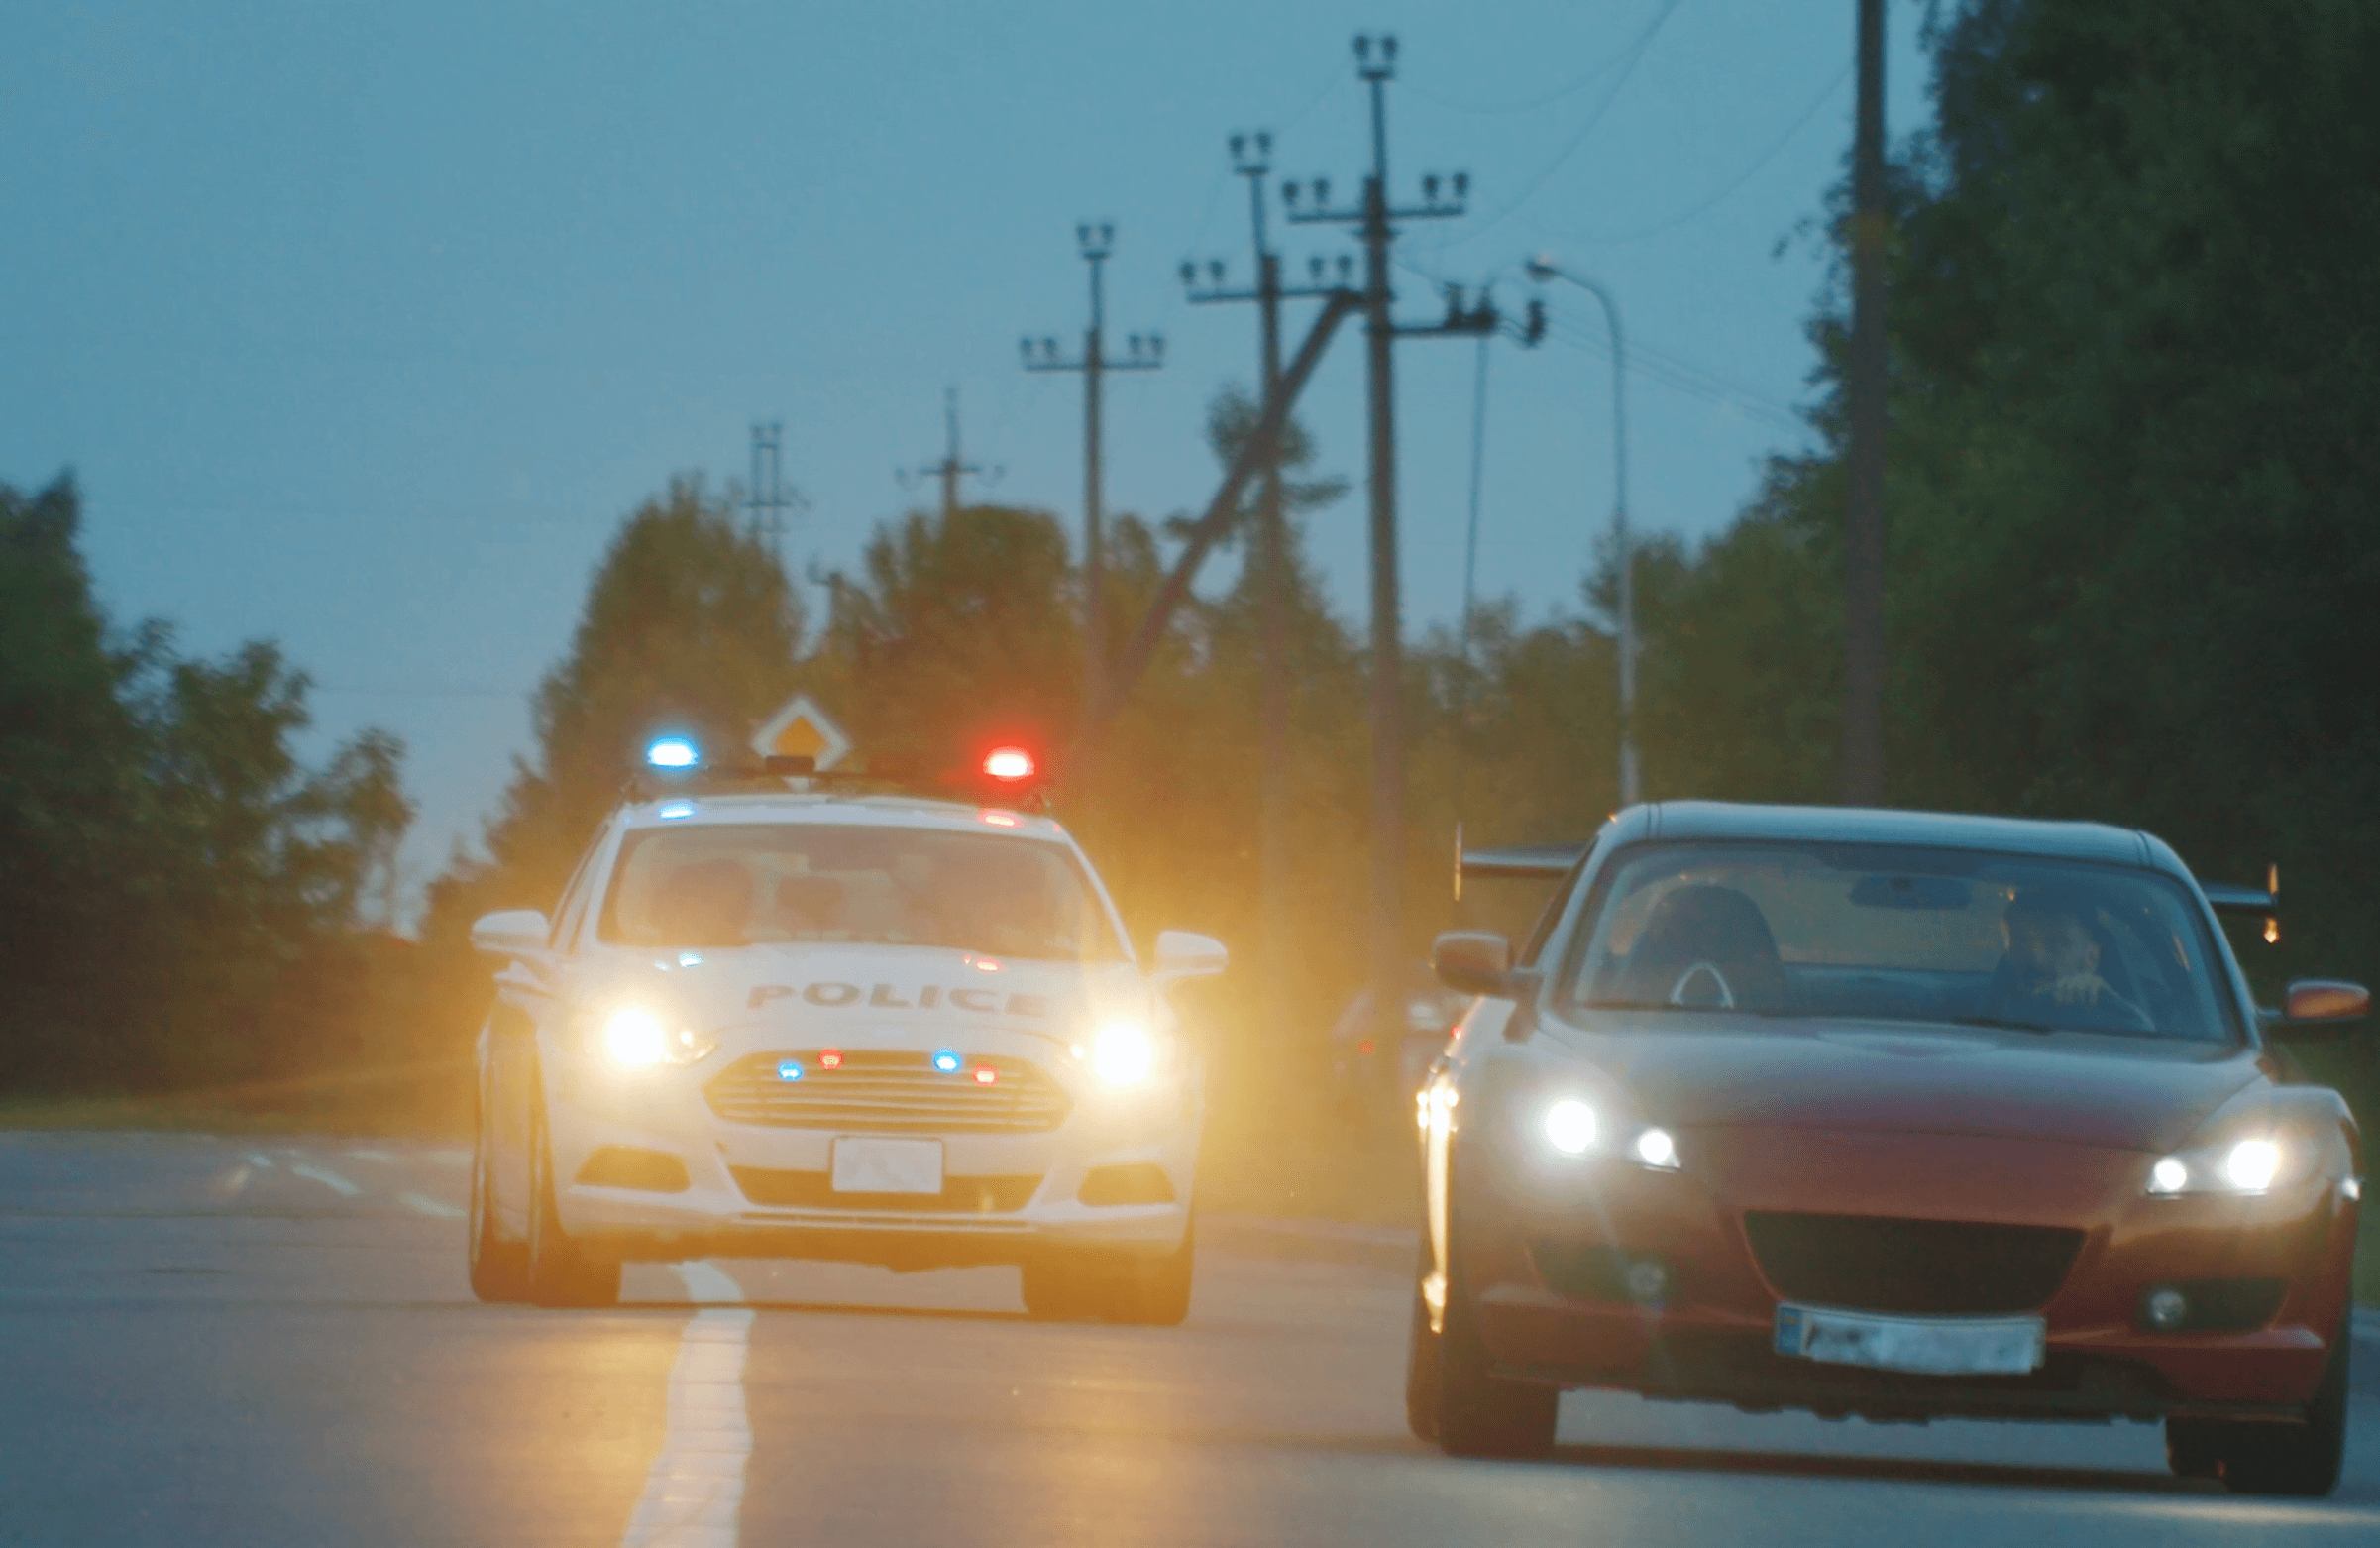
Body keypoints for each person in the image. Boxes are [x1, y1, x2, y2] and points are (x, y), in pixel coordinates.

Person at [1987, 886, 2148, 1029]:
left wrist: (2109, 1001)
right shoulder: (1974, 1014)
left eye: (2056, 944)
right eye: (2022, 944)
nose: (2038, 958)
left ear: (2091, 957)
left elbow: (2148, 1036)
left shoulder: (2120, 1018)